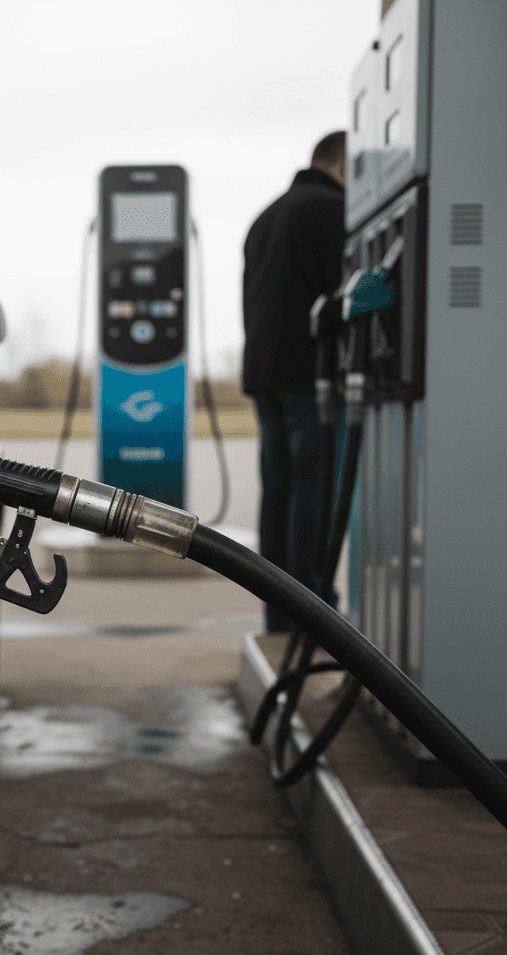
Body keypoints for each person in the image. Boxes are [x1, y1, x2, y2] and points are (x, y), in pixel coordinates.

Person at [242, 131, 347, 632]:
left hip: (263, 374)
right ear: (344, 167)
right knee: (313, 490)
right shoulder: (329, 209)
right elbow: (341, 298)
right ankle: (315, 608)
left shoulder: (265, 216)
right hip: (310, 376)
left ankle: (279, 614)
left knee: (277, 490)